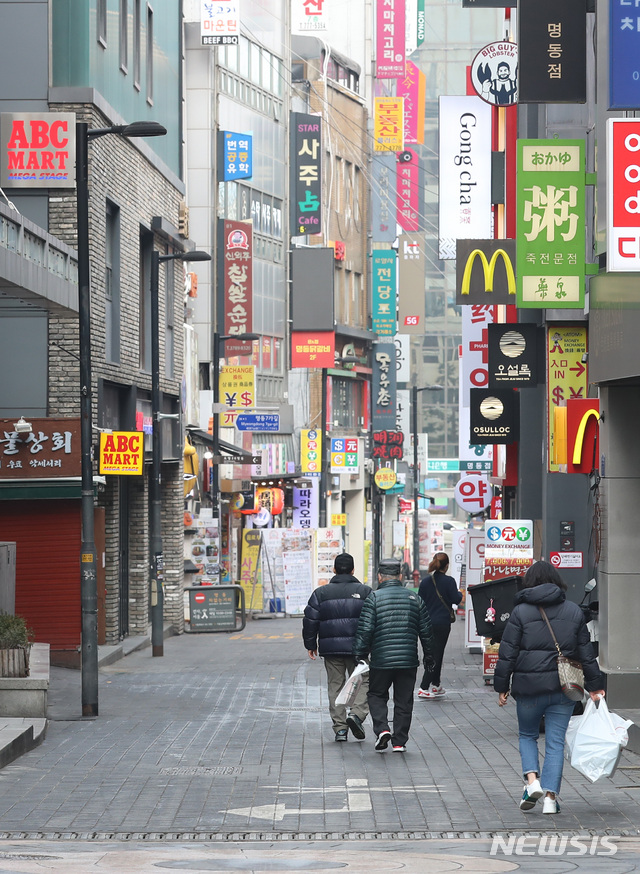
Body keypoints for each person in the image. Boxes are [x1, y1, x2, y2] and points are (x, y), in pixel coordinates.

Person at [494, 561, 605, 815]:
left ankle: (532, 782)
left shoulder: (520, 612)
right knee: (555, 743)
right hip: (564, 687)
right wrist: (596, 686)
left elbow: (507, 653)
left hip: (528, 688)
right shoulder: (574, 612)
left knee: (527, 735)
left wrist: (502, 685)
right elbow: (586, 654)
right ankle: (550, 800)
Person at [353, 557, 434, 753]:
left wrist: (360, 654)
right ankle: (399, 742)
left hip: (381, 660)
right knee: (404, 700)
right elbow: (426, 632)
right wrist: (429, 657)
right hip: (408, 660)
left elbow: (365, 630)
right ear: (400, 576)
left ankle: (382, 730)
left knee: (376, 694)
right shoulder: (414, 599)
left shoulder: (373, 598)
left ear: (380, 577)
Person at [302, 553, 372, 742]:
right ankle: (356, 714)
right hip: (359, 649)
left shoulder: (321, 593)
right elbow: (374, 619)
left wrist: (310, 644)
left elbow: (310, 619)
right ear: (353, 570)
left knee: (336, 685)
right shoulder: (365, 592)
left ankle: (340, 729)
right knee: (363, 682)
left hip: (331, 648)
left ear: (333, 570)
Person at [417, 552, 462, 700]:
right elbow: (456, 599)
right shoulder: (449, 581)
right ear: (447, 566)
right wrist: (460, 594)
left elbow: (420, 602)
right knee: (436, 655)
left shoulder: (425, 582)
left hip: (426, 623)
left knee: (434, 653)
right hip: (442, 623)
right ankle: (424, 687)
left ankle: (435, 684)